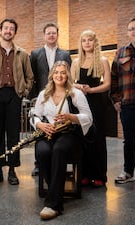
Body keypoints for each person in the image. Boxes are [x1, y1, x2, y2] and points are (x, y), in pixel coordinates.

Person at [31, 61, 92, 220]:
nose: (59, 75)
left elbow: (88, 118)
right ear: (52, 74)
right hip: (49, 132)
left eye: (63, 72)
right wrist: (40, 124)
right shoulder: (44, 94)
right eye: (56, 72)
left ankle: (53, 204)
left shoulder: (75, 94)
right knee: (43, 150)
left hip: (70, 134)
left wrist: (71, 117)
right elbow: (35, 115)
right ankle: (56, 191)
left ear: (67, 75)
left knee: (59, 149)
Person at [0, 18, 33, 186]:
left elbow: (30, 76)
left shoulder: (23, 54)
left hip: (14, 95)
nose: (8, 31)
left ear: (15, 33)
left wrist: (23, 91)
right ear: (0, 30)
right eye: (6, 28)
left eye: (12, 29)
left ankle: (12, 170)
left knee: (13, 134)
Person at [109, 17, 135, 184]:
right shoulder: (121, 52)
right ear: (128, 32)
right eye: (132, 29)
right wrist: (115, 99)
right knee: (128, 140)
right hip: (126, 104)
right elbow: (114, 77)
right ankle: (128, 172)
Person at [29, 23, 72, 176]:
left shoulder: (65, 54)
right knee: (40, 131)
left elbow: (68, 76)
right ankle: (38, 164)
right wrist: (34, 97)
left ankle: (58, 161)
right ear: (44, 35)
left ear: (57, 35)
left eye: (54, 33)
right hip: (41, 97)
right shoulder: (35, 54)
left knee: (60, 130)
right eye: (48, 33)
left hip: (60, 96)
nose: (51, 35)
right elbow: (32, 76)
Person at [70, 30, 111, 187]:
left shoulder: (102, 60)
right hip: (80, 103)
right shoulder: (76, 62)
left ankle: (99, 175)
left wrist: (91, 90)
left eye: (89, 40)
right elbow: (70, 82)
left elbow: (107, 84)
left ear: (95, 42)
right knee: (82, 137)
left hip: (96, 102)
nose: (86, 43)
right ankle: (84, 174)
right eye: (83, 40)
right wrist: (79, 86)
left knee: (98, 137)